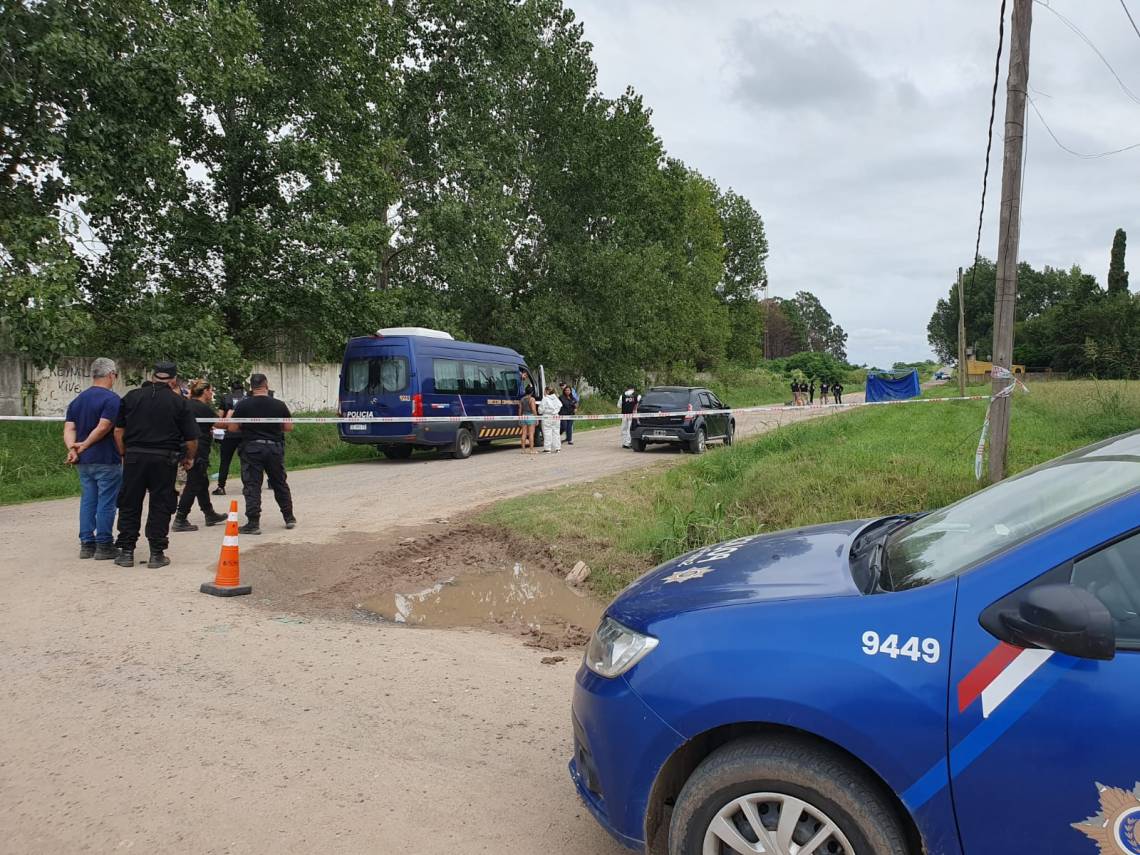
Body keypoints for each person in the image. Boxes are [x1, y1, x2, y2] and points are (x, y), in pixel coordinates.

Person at [113, 361, 199, 569]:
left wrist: (124, 452)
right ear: (174, 380)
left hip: (134, 457)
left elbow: (118, 430)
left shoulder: (131, 397)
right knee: (161, 503)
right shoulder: (179, 402)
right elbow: (192, 439)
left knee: (129, 502)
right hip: (164, 458)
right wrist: (189, 458)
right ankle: (156, 554)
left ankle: (126, 552)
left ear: (153, 376)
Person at [63, 357, 123, 560]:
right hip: (105, 457)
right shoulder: (112, 399)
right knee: (106, 501)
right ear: (111, 374)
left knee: (88, 499)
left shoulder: (78, 400)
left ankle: (86, 542)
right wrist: (86, 444)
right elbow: (104, 426)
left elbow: (69, 428)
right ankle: (104, 543)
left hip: (83, 460)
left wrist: (73, 449)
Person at [229, 373, 295, 534]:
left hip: (252, 449)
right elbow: (288, 428)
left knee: (252, 485)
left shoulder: (243, 405)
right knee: (279, 482)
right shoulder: (279, 405)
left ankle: (253, 523)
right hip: (274, 449)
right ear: (266, 385)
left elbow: (232, 428)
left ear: (251, 387)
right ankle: (289, 517)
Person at [172, 380, 227, 532]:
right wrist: (234, 417)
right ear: (205, 392)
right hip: (197, 450)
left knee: (201, 481)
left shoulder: (186, 404)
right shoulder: (202, 408)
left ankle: (209, 513)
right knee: (194, 483)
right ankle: (180, 518)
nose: (212, 394)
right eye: (211, 390)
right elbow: (221, 424)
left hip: (186, 447)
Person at [213, 380, 245, 495]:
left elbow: (219, 417)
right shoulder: (247, 399)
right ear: (243, 388)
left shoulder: (226, 398)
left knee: (225, 461)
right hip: (244, 434)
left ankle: (221, 487)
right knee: (245, 461)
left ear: (231, 389)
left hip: (230, 434)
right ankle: (247, 486)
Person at [538, 385, 563, 454]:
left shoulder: (545, 399)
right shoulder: (556, 398)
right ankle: (557, 448)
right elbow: (560, 406)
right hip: (556, 417)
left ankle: (547, 448)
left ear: (547, 391)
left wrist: (540, 411)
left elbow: (540, 410)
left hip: (547, 417)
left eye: (544, 391)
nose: (544, 392)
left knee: (547, 432)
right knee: (556, 432)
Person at [518, 385, 538, 454]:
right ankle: (531, 450)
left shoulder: (522, 399)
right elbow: (533, 409)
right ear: (532, 392)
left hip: (523, 416)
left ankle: (523, 450)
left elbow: (520, 409)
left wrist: (520, 418)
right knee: (531, 434)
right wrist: (536, 418)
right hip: (531, 417)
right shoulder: (532, 399)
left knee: (523, 434)